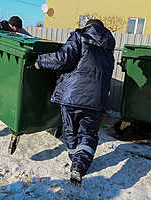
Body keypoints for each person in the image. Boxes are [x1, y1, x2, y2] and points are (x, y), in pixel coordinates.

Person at [32, 19, 115, 187]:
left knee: (71, 130)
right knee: (88, 134)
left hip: (72, 96)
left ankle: (74, 158)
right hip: (96, 101)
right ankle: (78, 165)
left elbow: (63, 59)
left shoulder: (80, 36)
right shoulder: (108, 48)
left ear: (88, 26)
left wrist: (39, 61)